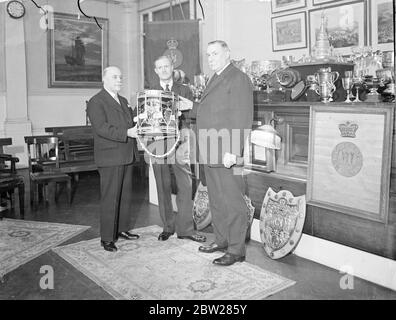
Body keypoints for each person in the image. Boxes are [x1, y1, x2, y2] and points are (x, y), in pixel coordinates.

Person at [188, 40, 253, 266]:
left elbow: (242, 116)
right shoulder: (215, 78)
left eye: (215, 53)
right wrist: (190, 106)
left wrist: (234, 152)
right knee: (216, 200)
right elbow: (210, 110)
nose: (211, 58)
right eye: (208, 55)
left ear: (227, 53)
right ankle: (222, 239)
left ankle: (236, 250)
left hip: (226, 152)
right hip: (210, 150)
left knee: (233, 201)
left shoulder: (238, 78)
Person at [148, 55, 206, 243]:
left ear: (172, 68)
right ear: (156, 70)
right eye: (160, 67)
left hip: (181, 142)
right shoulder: (149, 93)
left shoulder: (184, 90)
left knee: (185, 185)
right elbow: (142, 118)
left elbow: (195, 115)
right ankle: (167, 227)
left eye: (167, 66)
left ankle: (186, 229)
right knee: (162, 185)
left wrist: (184, 113)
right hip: (157, 144)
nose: (164, 70)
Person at [87, 66, 140, 252]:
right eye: (114, 77)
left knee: (125, 197)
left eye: (120, 77)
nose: (119, 80)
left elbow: (132, 122)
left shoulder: (123, 101)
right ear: (104, 79)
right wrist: (127, 132)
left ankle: (123, 229)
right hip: (110, 157)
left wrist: (144, 118)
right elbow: (101, 128)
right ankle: (107, 237)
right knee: (110, 198)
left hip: (126, 154)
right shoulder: (96, 101)